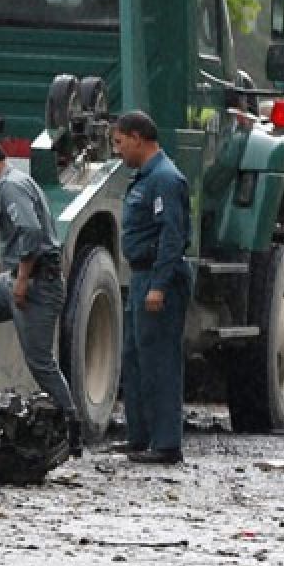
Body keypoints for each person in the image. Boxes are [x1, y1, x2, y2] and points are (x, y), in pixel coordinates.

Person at [0, 130, 83, 457]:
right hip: (17, 277)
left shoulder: (11, 186)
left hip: (37, 283)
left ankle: (71, 426)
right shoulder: (11, 183)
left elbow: (30, 232)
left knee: (40, 361)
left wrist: (23, 280)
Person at [112, 111, 192, 465]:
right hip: (141, 276)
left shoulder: (165, 179)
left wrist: (159, 285)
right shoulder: (146, 177)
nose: (118, 151)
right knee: (135, 357)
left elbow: (172, 236)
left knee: (159, 359)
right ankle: (139, 436)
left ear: (138, 138)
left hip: (161, 277)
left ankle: (166, 443)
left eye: (119, 142)